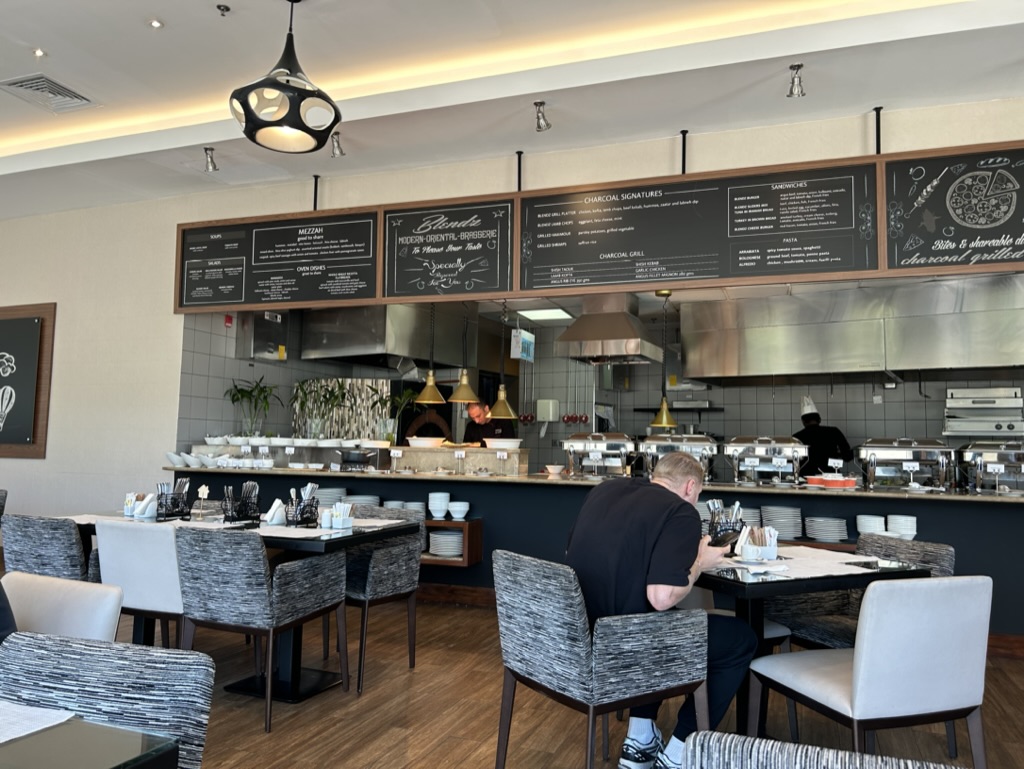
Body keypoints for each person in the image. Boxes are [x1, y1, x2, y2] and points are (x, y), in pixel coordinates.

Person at [565, 452, 757, 769]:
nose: (696, 500)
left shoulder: (605, 490)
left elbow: (574, 551)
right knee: (740, 640)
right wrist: (699, 563)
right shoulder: (680, 511)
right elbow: (662, 597)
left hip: (582, 635)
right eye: (698, 494)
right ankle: (681, 751)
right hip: (628, 646)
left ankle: (640, 741)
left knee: (661, 620)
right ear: (690, 486)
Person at [793, 395, 854, 476]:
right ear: (819, 419)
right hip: (831, 478)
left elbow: (793, 461)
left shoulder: (796, 437)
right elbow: (848, 457)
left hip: (805, 479)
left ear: (803, 421)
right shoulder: (834, 432)